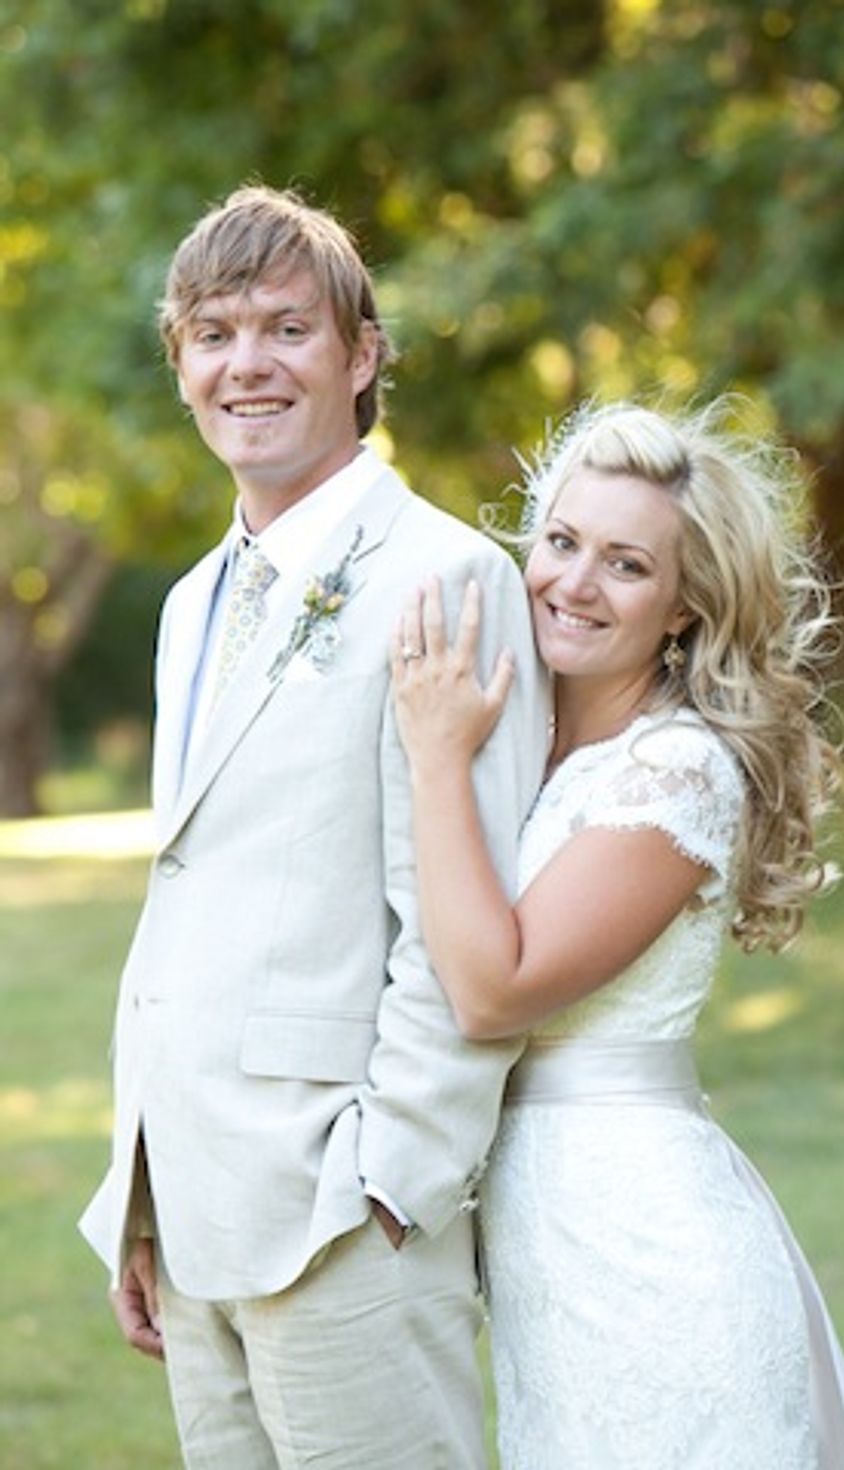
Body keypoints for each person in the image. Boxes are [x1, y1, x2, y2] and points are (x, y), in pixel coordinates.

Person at [79, 183, 548, 1469]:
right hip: (192, 1211)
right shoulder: (188, 603)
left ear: (361, 355)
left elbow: (461, 916)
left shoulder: (448, 578)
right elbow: (197, 890)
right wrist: (143, 1196)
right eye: (214, 334)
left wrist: (391, 1184)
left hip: (345, 1219)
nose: (249, 364)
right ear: (181, 366)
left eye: (287, 329)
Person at [390, 399, 844, 1470]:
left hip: (653, 1260)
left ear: (682, 606)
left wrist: (433, 758)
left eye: (625, 565)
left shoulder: (677, 770)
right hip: (546, 1263)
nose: (573, 583)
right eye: (562, 542)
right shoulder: (523, 745)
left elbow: (491, 990)